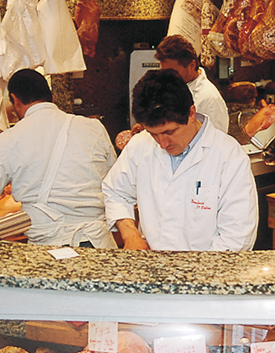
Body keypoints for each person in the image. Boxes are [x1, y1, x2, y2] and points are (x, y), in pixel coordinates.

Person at [0, 68, 117, 248]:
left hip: (51, 250)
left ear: (15, 101)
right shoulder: (94, 128)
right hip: (101, 246)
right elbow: (116, 184)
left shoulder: (7, 141)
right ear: (52, 98)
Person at [102, 68, 257, 251]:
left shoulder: (229, 156)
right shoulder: (140, 145)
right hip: (152, 269)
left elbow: (237, 237)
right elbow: (115, 191)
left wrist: (194, 275)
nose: (162, 143)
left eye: (170, 132)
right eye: (153, 134)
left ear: (191, 113)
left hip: (207, 274)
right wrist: (130, 235)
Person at [154, 34, 229, 133]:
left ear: (192, 65)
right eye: (164, 71)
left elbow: (218, 141)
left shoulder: (210, 98)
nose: (168, 77)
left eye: (173, 72)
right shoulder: (169, 88)